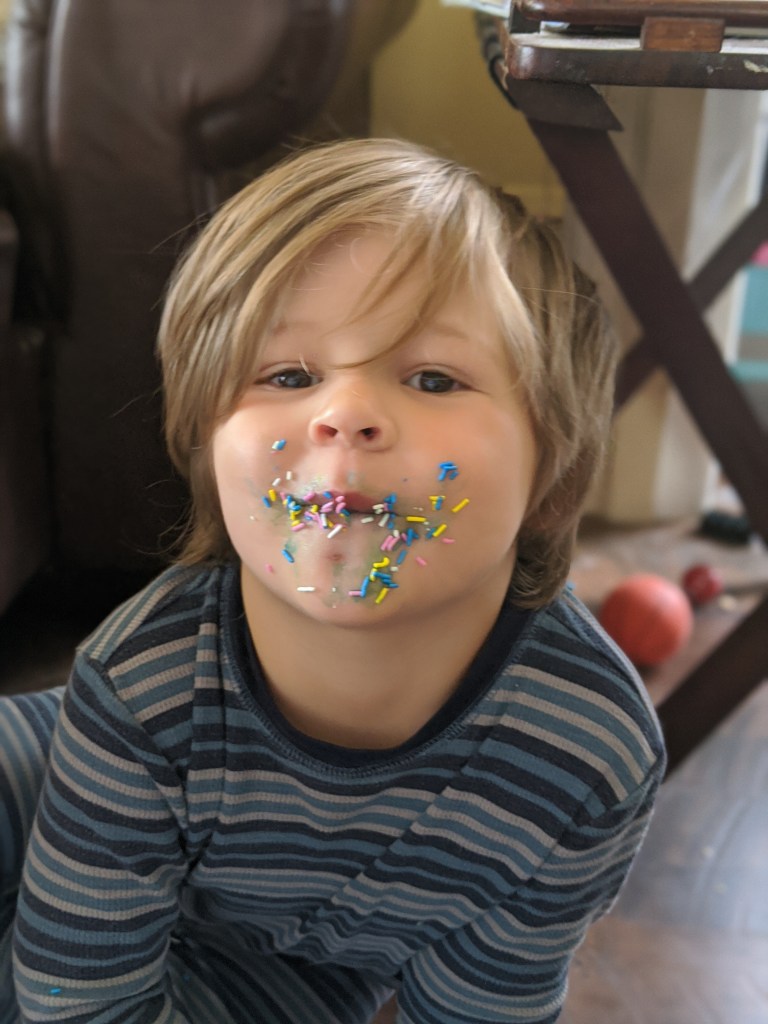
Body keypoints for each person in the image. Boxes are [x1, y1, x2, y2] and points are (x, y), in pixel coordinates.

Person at [0, 137, 665, 1024]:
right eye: (289, 375)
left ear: (557, 478)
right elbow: (77, 997)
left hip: (273, 963)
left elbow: (483, 1007)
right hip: (60, 781)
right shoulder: (138, 685)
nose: (345, 414)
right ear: (209, 458)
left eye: (434, 378)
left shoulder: (587, 752)